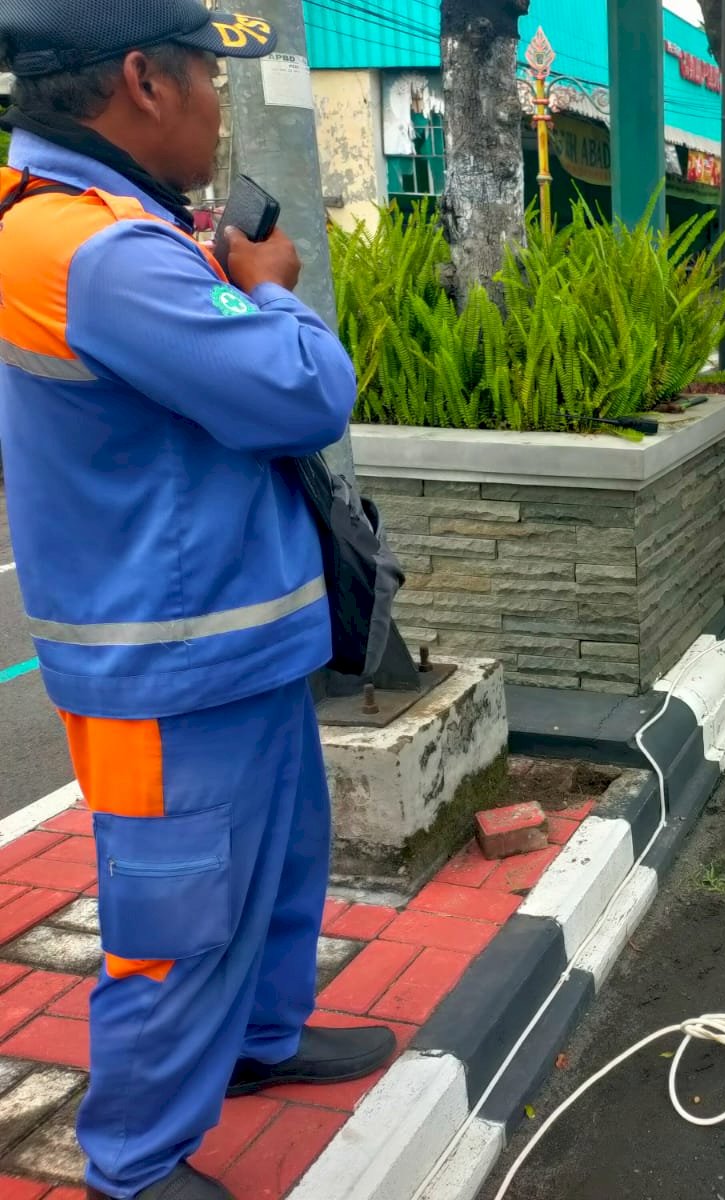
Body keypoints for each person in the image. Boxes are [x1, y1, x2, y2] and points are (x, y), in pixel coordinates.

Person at [0, 3, 387, 1197]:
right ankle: (135, 1160)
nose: (222, 110)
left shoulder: (92, 226)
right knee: (178, 921)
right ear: (142, 82)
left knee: (277, 868)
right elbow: (301, 393)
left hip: (228, 637)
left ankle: (262, 1043)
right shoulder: (94, 250)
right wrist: (269, 286)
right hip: (166, 661)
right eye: (211, 82)